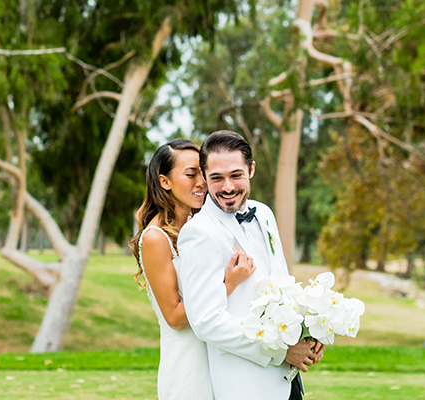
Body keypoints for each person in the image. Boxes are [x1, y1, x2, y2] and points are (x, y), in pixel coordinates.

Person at [179, 130, 324, 400]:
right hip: (245, 385)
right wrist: (280, 351)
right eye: (216, 178)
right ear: (204, 175)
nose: (228, 187)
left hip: (288, 382)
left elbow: (282, 284)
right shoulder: (198, 232)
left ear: (251, 169)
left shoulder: (265, 214)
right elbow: (206, 321)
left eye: (236, 175)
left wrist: (310, 331)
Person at [130, 138, 257, 400]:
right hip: (188, 365)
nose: (201, 181)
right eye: (190, 174)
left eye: (202, 172)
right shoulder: (155, 238)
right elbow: (174, 317)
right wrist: (228, 284)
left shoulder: (199, 228)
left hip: (218, 358)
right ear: (164, 181)